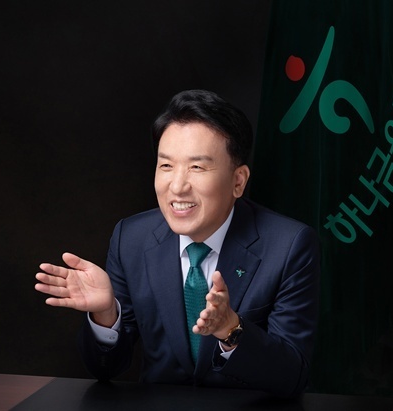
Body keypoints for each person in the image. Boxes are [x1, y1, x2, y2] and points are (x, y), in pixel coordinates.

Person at [34, 89, 321, 398]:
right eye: (166, 166)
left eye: (197, 167)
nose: (178, 186)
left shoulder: (290, 246)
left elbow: (293, 376)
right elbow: (105, 369)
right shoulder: (131, 238)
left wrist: (231, 329)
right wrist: (106, 315)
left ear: (238, 181)